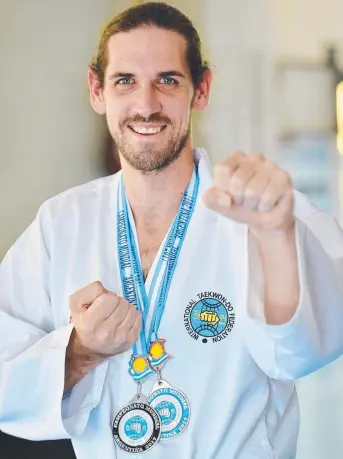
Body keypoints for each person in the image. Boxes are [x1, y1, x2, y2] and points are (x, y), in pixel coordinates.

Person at [1, 2, 343, 458]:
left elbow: (304, 352)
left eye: (167, 80)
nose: (146, 105)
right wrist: (80, 351)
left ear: (201, 90)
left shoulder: (260, 206)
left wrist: (275, 235)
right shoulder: (60, 224)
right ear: (96, 90)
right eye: (125, 81)